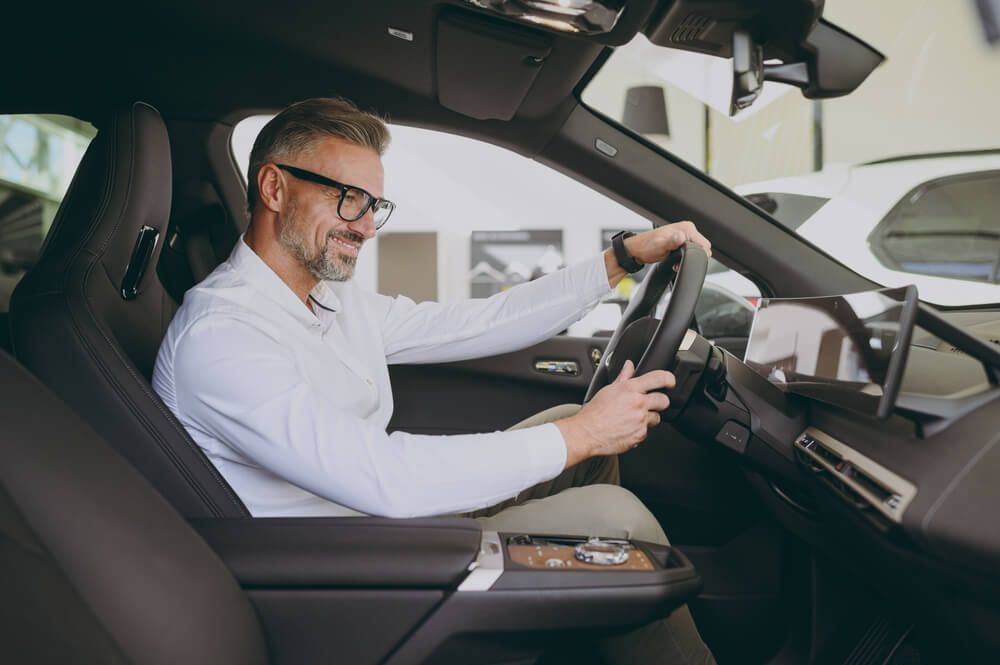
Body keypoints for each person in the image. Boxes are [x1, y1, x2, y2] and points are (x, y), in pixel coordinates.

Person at [153, 97, 716, 665]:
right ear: (274, 188)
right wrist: (584, 434)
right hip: (353, 577)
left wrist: (618, 260)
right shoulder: (222, 335)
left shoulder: (329, 298)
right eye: (348, 199)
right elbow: (380, 475)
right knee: (618, 525)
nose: (368, 226)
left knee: (573, 440)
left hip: (390, 529)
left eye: (374, 204)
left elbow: (477, 322)